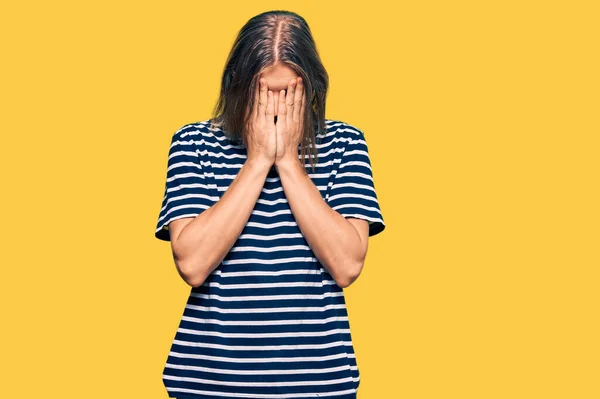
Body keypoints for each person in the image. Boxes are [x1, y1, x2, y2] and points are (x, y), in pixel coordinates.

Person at [154, 10, 386, 399]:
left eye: (288, 93)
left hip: (317, 384)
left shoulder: (346, 144)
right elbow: (192, 264)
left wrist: (289, 163)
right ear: (238, 86)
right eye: (263, 93)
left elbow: (347, 265)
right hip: (206, 384)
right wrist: (259, 159)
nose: (275, 108)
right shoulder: (193, 143)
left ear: (310, 88)